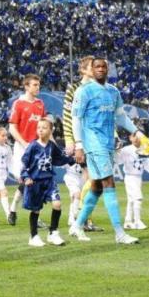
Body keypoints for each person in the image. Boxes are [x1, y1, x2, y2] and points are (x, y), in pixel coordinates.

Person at [68, 58, 149, 245]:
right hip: (93, 144)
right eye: (97, 66)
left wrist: (137, 132)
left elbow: (121, 116)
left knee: (97, 187)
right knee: (109, 183)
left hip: (108, 143)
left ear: (107, 70)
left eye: (103, 67)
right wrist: (78, 144)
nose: (100, 69)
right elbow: (76, 119)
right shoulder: (84, 91)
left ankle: (77, 225)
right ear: (91, 70)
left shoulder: (113, 91)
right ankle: (119, 232)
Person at [62, 55, 103, 232]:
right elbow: (67, 116)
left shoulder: (98, 89)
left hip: (95, 138)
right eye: (92, 67)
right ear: (84, 70)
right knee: (89, 179)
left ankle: (79, 217)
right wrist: (70, 140)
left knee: (92, 180)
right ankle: (81, 218)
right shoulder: (74, 89)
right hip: (81, 139)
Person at [21, 119, 75, 247]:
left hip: (49, 181)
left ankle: (53, 233)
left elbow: (59, 158)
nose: (40, 129)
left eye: (44, 127)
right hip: (35, 182)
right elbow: (24, 163)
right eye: (39, 127)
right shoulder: (33, 146)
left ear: (51, 131)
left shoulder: (52, 146)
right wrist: (25, 177)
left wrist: (73, 160)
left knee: (57, 204)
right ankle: (33, 236)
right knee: (36, 210)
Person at [7, 74, 46, 226]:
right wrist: (24, 143)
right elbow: (12, 128)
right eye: (35, 85)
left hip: (37, 148)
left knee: (36, 182)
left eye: (38, 84)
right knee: (25, 181)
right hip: (22, 148)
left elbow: (43, 127)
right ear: (27, 86)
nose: (38, 87)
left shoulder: (40, 104)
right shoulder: (19, 103)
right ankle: (13, 209)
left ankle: (31, 216)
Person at [116, 132, 149, 230]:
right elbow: (118, 161)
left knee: (131, 200)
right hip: (130, 177)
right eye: (134, 136)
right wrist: (116, 151)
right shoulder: (126, 150)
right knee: (138, 198)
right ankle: (137, 221)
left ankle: (128, 221)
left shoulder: (145, 150)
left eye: (139, 136)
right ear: (130, 138)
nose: (137, 138)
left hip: (138, 177)